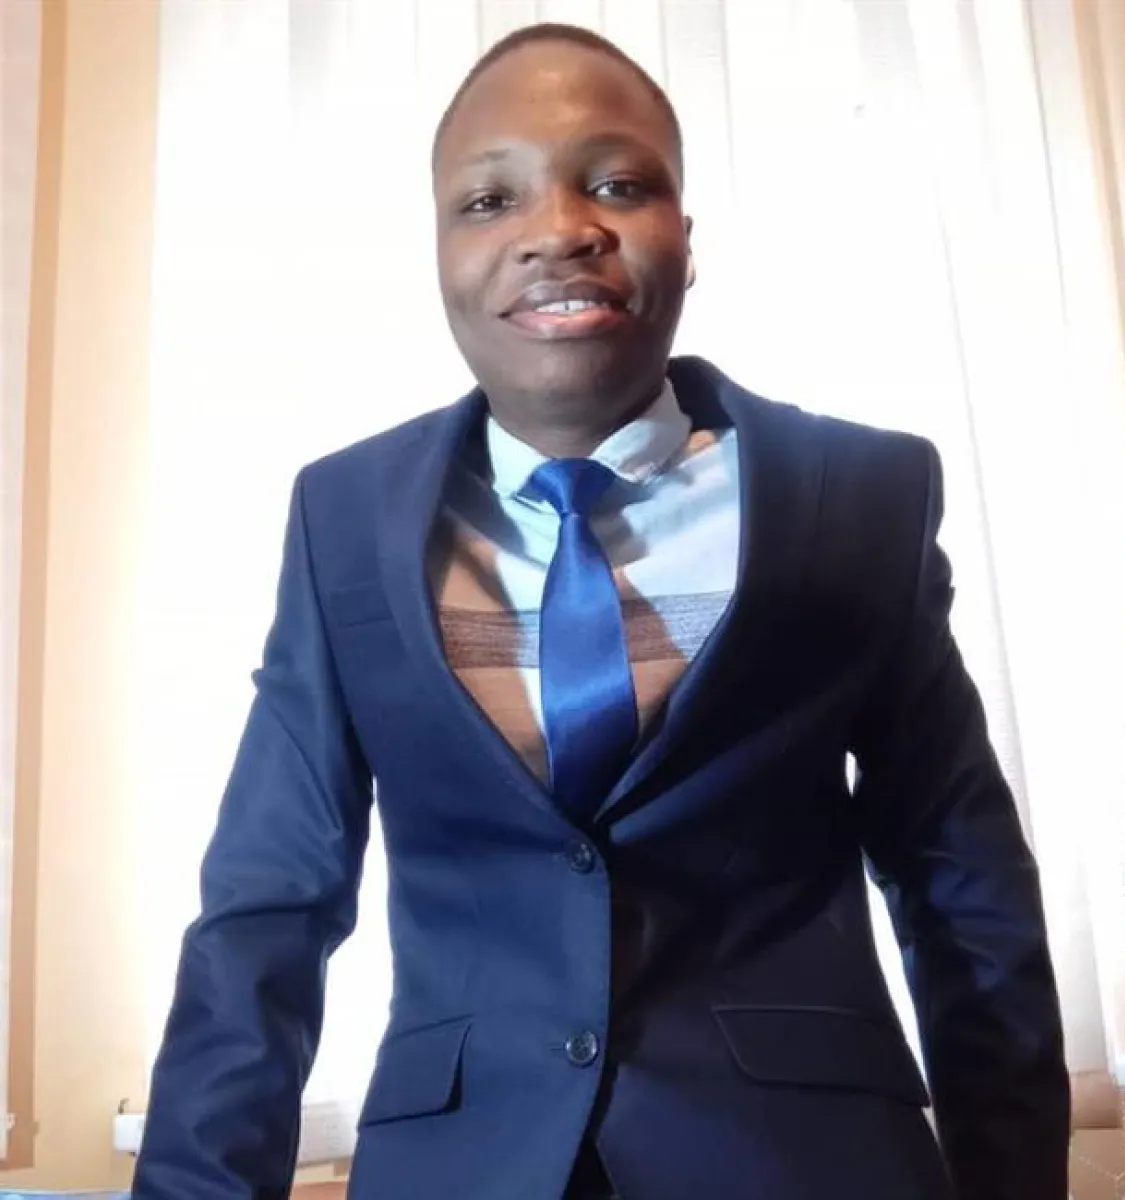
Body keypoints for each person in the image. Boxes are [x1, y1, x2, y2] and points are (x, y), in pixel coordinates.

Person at [132, 22, 1070, 1200]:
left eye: (618, 185)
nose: (559, 228)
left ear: (688, 237)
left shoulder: (857, 495)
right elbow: (265, 910)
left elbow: (961, 881)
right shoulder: (342, 518)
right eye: (489, 200)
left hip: (805, 1166)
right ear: (437, 254)